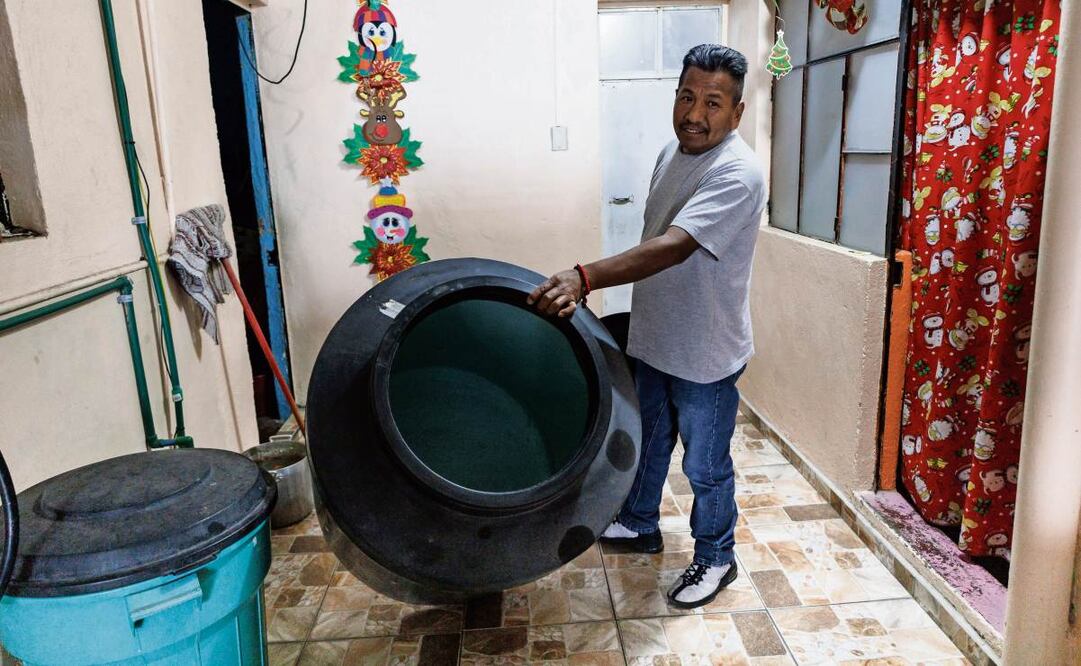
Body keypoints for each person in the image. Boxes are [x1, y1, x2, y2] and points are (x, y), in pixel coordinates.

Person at [528, 44, 765, 609]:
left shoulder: (738, 172)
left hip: (705, 351)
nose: (695, 114)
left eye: (713, 102)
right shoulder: (673, 151)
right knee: (649, 439)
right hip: (657, 334)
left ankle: (716, 557)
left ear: (736, 112)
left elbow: (672, 247)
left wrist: (586, 276)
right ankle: (639, 523)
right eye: (687, 96)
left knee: (705, 466)